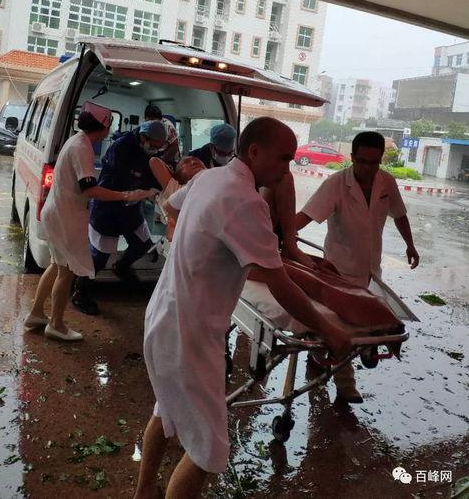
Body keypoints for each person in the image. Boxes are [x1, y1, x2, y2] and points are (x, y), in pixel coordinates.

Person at [134, 117, 352, 499]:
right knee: (208, 452)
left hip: (163, 317)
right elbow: (280, 284)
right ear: (254, 152)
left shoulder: (209, 178)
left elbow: (171, 206)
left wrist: (203, 249)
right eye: (284, 158)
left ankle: (143, 493)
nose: (287, 169)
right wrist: (329, 330)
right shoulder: (246, 202)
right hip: (190, 335)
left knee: (165, 411)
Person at [295, 130, 420, 403]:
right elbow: (307, 215)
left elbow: (399, 215)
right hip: (339, 269)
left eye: (374, 163)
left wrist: (410, 245)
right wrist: (279, 234)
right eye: (362, 161)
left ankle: (334, 354)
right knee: (342, 326)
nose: (367, 169)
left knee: (363, 320)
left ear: (380, 160)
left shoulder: (386, 182)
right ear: (352, 157)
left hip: (370, 268)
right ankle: (346, 384)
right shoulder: (336, 184)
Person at [24, 102, 150, 341]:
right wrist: (126, 195)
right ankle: (56, 325)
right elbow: (90, 189)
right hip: (65, 217)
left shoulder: (76, 140)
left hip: (56, 213)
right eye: (110, 124)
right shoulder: (83, 148)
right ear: (103, 127)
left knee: (56, 266)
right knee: (66, 272)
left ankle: (36, 313)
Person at [71, 120, 165, 314]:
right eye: (153, 145)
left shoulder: (149, 152)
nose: (154, 150)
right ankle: (80, 291)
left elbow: (152, 173)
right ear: (143, 137)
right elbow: (116, 179)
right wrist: (137, 190)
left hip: (131, 209)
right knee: (100, 257)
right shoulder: (121, 147)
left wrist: (155, 189)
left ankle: (121, 266)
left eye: (158, 147)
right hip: (108, 208)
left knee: (143, 244)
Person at [149, 155, 206, 240]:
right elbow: (154, 161)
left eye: (197, 160)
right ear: (179, 176)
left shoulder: (217, 176)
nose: (193, 162)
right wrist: (173, 174)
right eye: (185, 163)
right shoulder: (177, 189)